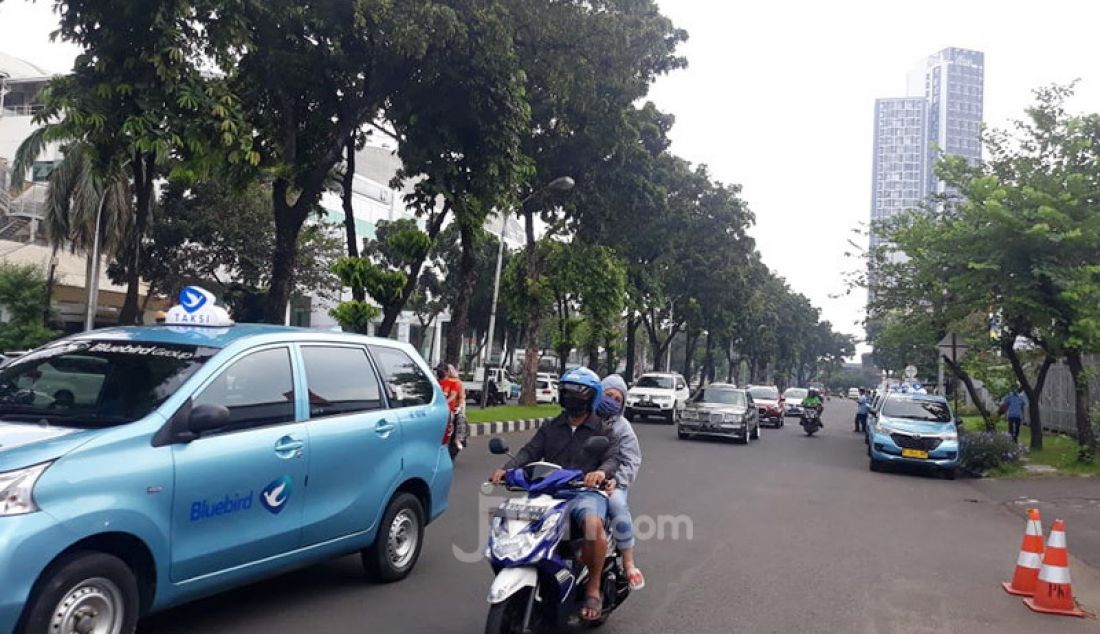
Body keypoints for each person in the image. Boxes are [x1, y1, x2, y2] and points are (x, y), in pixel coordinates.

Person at [490, 367, 618, 622]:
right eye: (567, 393)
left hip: (584, 492)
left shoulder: (602, 430)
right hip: (548, 491)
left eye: (578, 394)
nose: (571, 399)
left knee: (593, 525)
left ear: (591, 398)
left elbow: (612, 458)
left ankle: (592, 587)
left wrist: (600, 474)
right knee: (512, 517)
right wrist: (506, 469)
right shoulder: (551, 426)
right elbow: (529, 451)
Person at [595, 374, 645, 591]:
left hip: (612, 483)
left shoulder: (622, 427)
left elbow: (632, 460)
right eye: (609, 395)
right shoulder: (585, 419)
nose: (612, 401)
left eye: (618, 399)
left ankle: (628, 561)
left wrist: (616, 480)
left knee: (616, 505)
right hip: (579, 481)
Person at [436, 363, 467, 450]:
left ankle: (458, 439)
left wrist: (459, 406)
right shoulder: (435, 382)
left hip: (451, 409)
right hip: (436, 408)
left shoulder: (455, 383)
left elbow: (457, 397)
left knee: (460, 419)